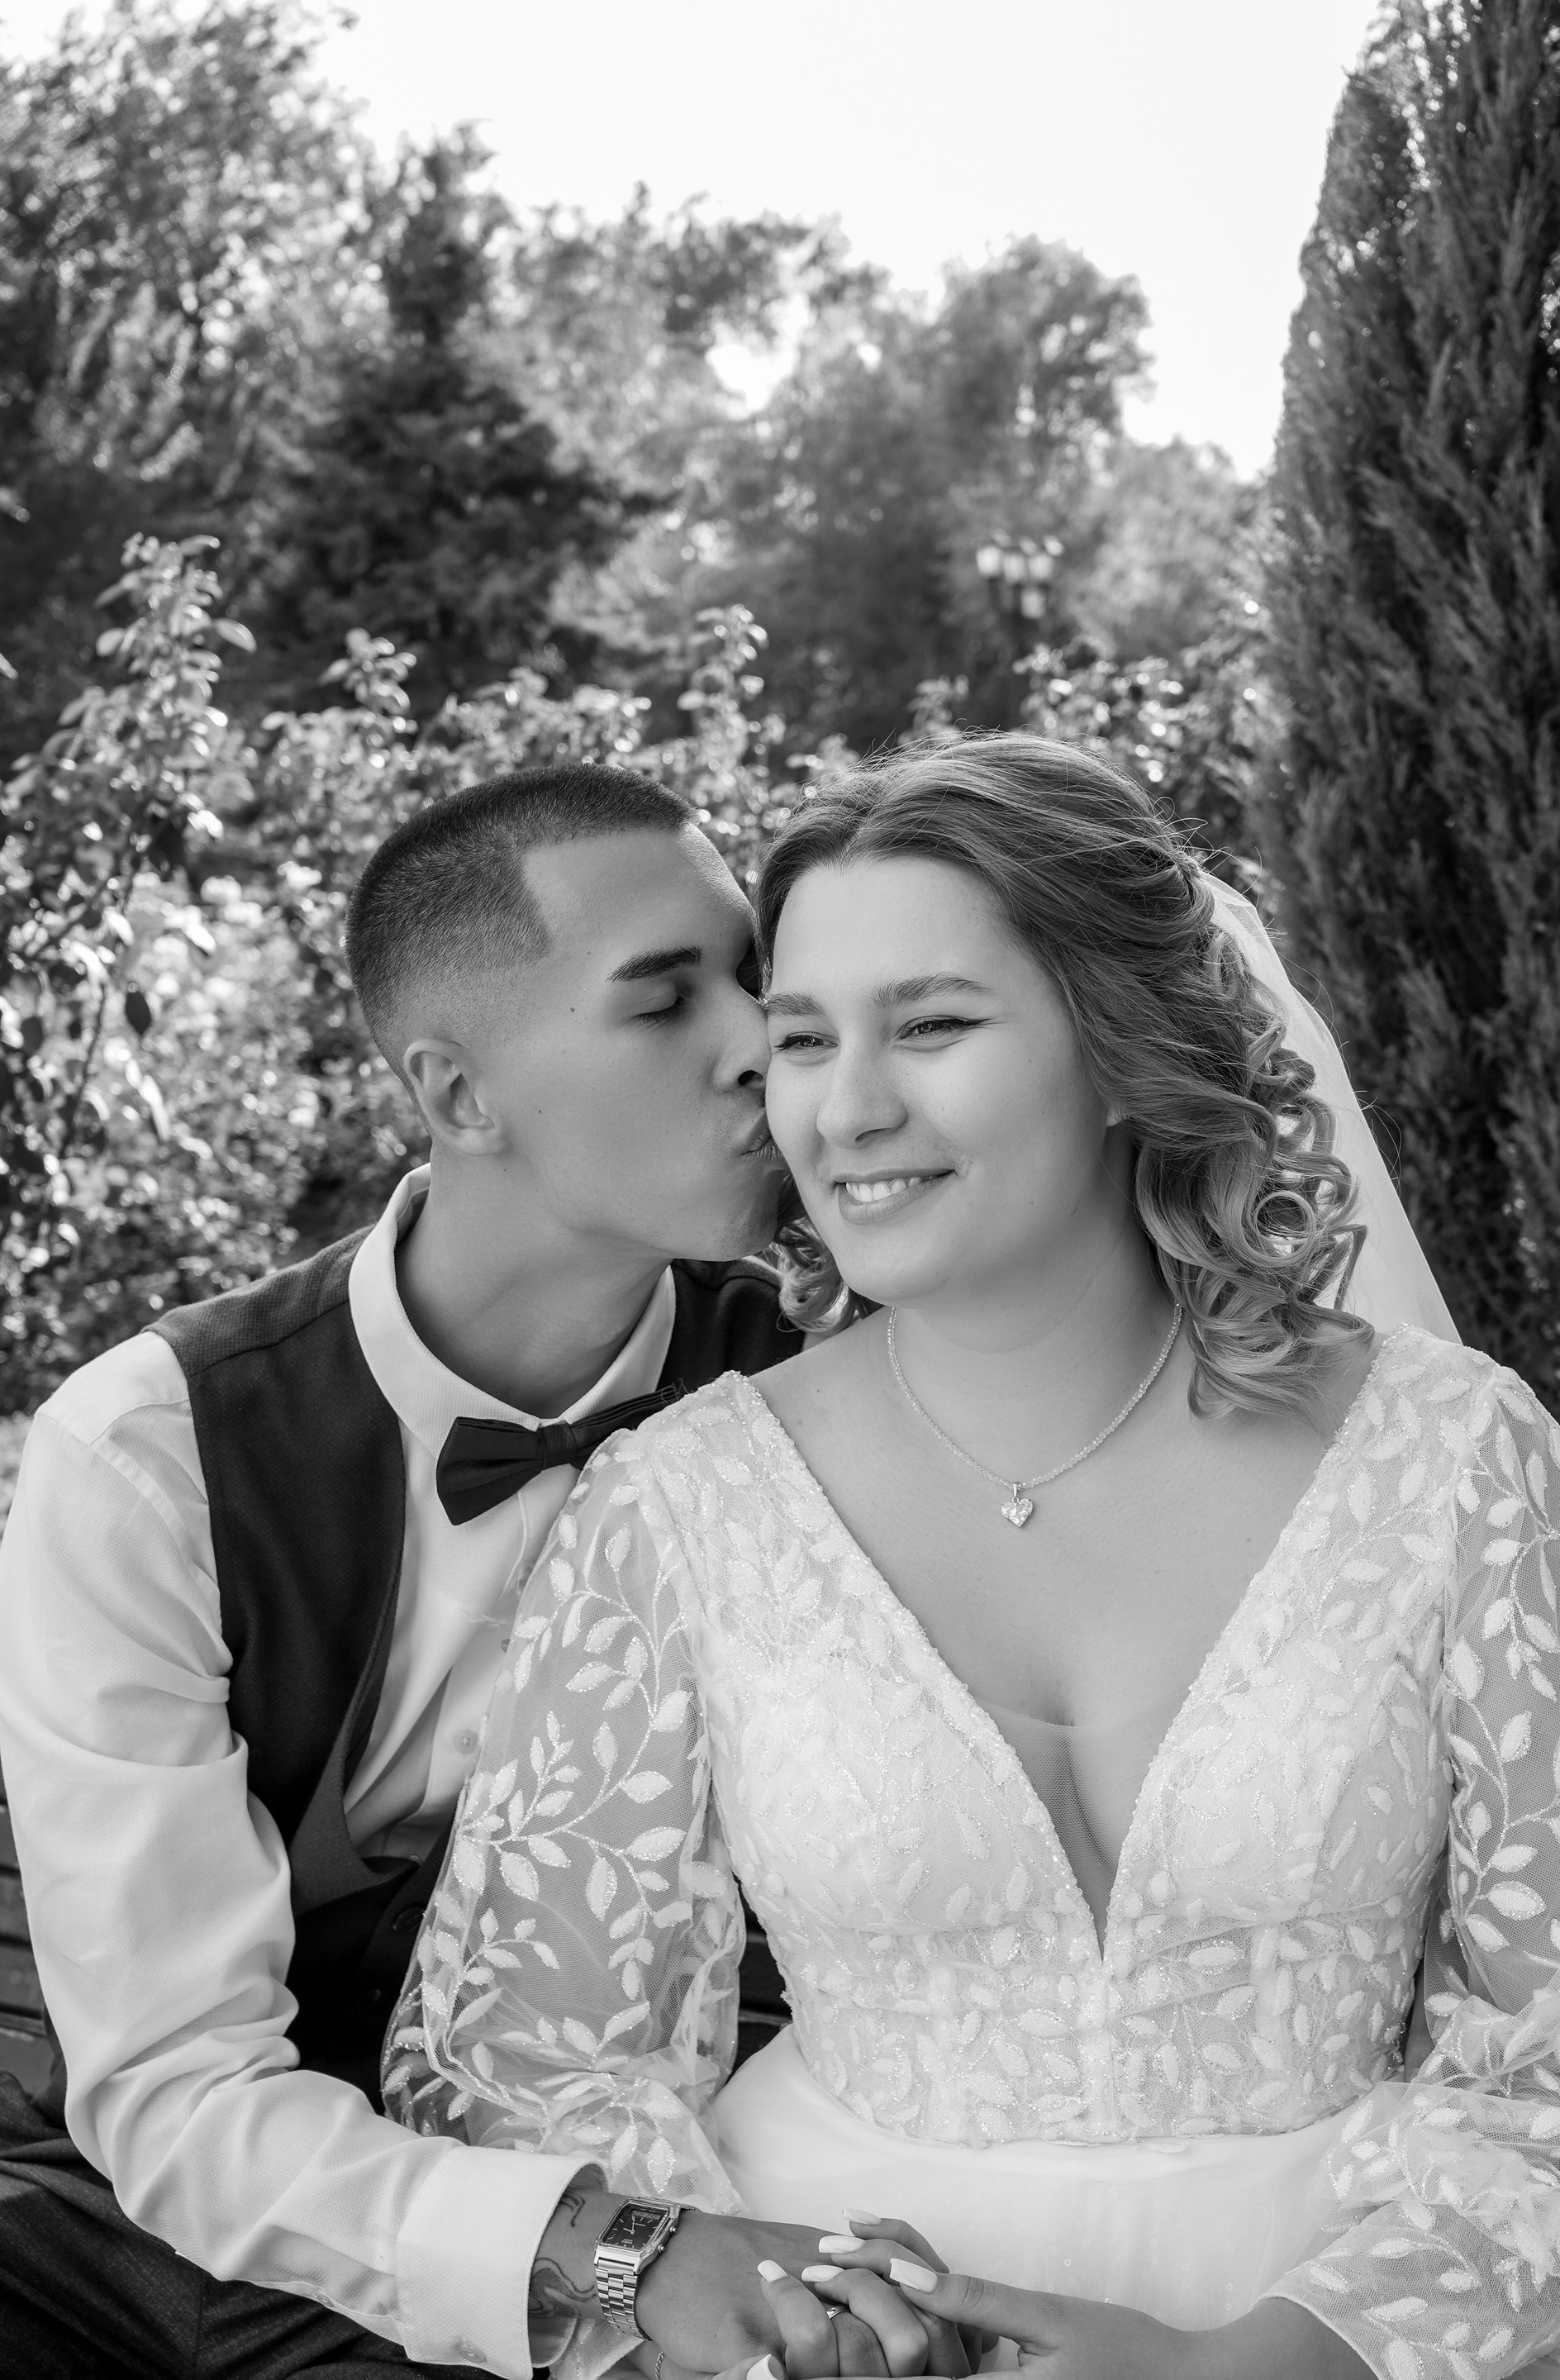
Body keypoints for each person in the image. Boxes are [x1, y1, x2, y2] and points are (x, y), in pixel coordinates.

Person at [388, 736, 1560, 2380]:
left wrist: (1271, 2359)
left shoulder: (1457, 1463)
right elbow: (525, 2071)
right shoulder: (676, 1508)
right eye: (803, 1039)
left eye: (935, 1025)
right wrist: (767, 2328)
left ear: (1124, 1046)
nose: (848, 1108)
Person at [0, 765, 905, 2380]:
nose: (757, 1046)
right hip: (96, 2196)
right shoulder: (145, 1448)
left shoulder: (823, 1392)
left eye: (753, 980)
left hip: (636, 2142)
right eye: (663, 1001)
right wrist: (610, 2255)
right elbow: (171, 2082)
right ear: (460, 1094)